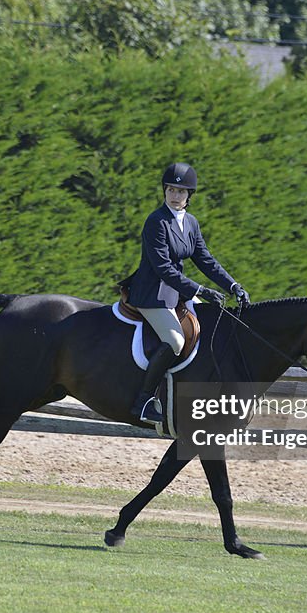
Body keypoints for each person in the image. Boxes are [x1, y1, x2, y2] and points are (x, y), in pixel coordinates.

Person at [124, 162, 250, 423]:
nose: (175, 195)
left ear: (189, 195)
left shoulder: (190, 223)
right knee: (175, 341)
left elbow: (206, 260)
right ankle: (144, 400)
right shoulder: (156, 221)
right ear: (165, 191)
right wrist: (200, 289)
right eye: (171, 189)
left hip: (177, 292)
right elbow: (162, 268)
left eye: (181, 191)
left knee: (213, 326)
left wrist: (233, 285)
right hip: (152, 293)